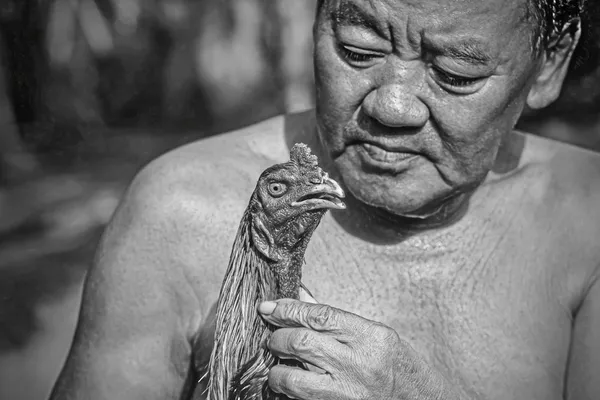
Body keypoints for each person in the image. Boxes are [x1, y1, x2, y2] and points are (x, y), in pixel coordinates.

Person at [49, 0, 600, 399]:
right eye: (357, 49)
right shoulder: (181, 209)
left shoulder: (585, 216)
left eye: (456, 73)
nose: (392, 105)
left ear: (547, 66)